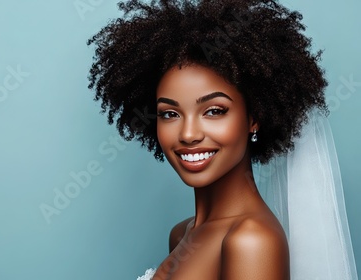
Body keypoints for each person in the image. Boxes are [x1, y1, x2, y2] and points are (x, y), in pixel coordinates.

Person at [87, 0, 358, 279]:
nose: (188, 134)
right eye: (169, 114)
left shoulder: (250, 241)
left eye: (214, 111)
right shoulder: (182, 233)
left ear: (254, 117)